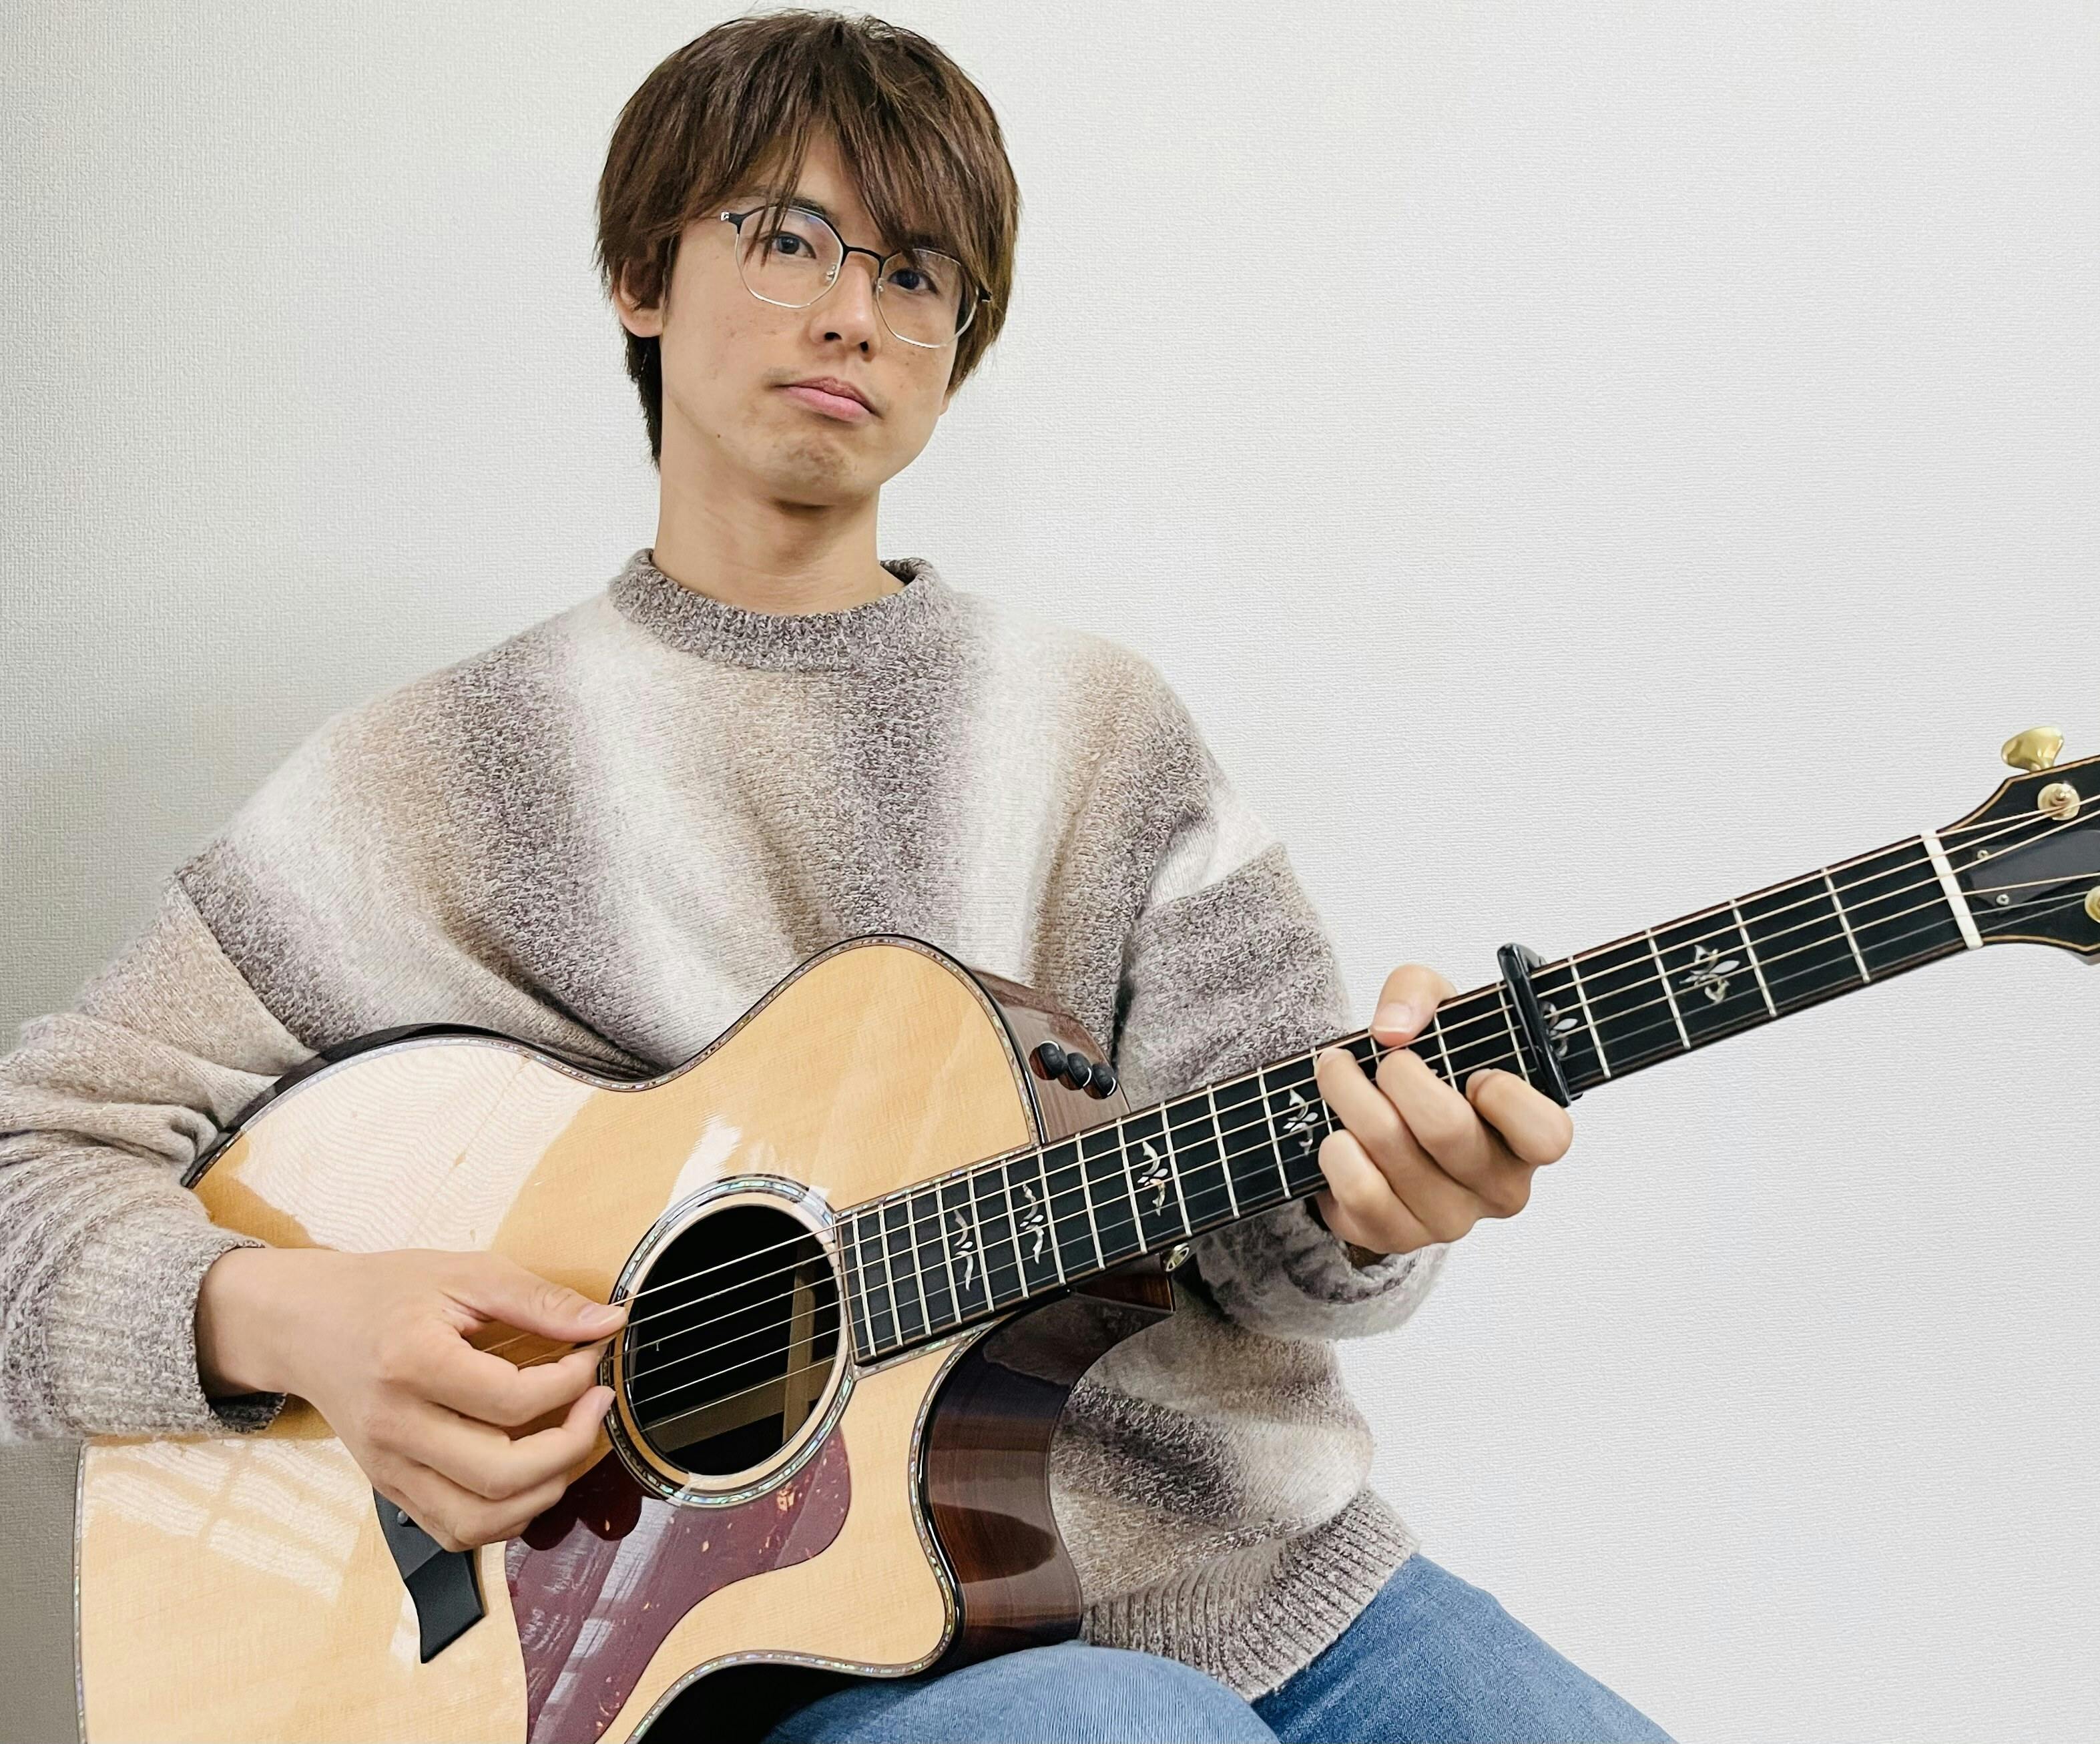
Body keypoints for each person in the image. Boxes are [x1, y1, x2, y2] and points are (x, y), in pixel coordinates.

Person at [0, 11, 1669, 1742]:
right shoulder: (430, 780)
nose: (853, 312)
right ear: (642, 276)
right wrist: (291, 1315)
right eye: (787, 238)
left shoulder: (1101, 737)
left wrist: (1377, 1205)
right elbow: (26, 1176)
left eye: (918, 272)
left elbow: (1284, 1231)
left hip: (1254, 1588)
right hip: (750, 1671)